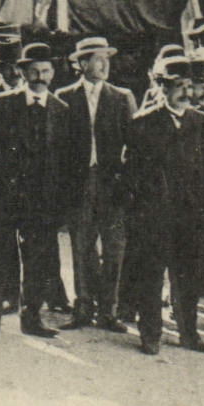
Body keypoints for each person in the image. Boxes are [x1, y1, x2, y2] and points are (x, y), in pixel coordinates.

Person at [0, 43, 72, 343]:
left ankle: (31, 319)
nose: (39, 76)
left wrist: (58, 206)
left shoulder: (61, 111)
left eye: (45, 71)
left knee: (38, 263)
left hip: (40, 204)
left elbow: (67, 163)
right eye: (33, 71)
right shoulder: (3, 104)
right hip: (3, 200)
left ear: (53, 73)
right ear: (22, 72)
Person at [123, 57, 204, 355]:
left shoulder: (199, 122)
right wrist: (139, 213)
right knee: (151, 275)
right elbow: (132, 174)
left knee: (188, 276)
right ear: (163, 88)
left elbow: (203, 171)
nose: (186, 93)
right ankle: (150, 333)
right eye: (179, 87)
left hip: (188, 215)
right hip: (154, 215)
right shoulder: (143, 123)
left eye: (190, 87)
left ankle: (188, 334)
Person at [54, 36, 136, 333]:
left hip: (111, 182)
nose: (104, 64)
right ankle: (83, 306)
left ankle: (109, 311)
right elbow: (58, 145)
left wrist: (124, 179)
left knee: (114, 247)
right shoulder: (65, 96)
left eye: (107, 58)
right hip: (78, 183)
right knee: (81, 245)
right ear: (82, 64)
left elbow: (134, 145)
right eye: (97, 59)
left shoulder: (122, 97)